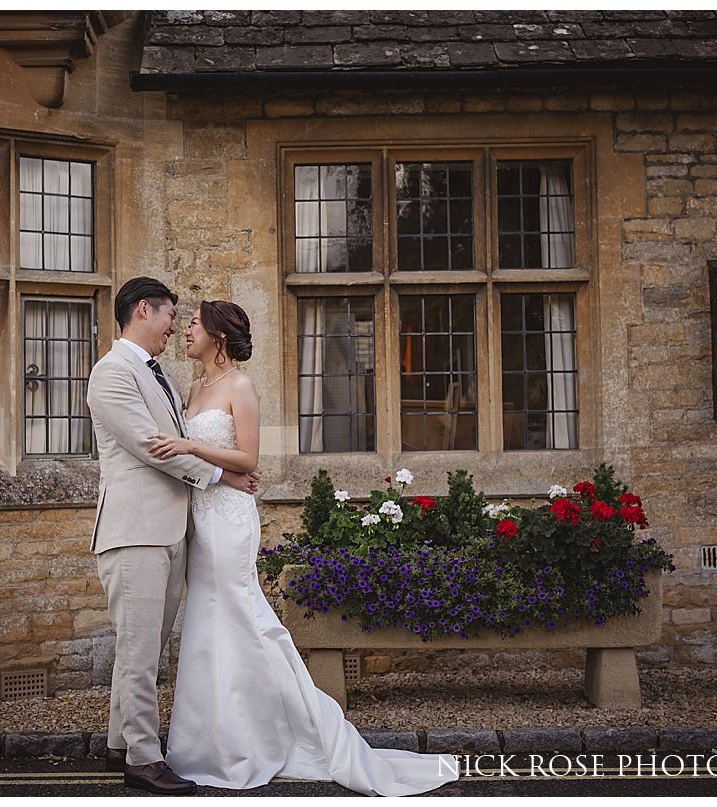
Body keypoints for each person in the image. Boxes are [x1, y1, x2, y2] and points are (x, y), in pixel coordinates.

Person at [150, 300, 460, 796]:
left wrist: (189, 446)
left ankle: (282, 731)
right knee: (206, 624)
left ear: (218, 334)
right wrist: (222, 470)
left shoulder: (240, 386)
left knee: (241, 619)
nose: (186, 328)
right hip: (201, 518)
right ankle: (209, 743)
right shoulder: (193, 386)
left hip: (230, 523)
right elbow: (235, 469)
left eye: (193, 323)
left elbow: (249, 454)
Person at [85, 278, 261, 795]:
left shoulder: (158, 372)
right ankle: (142, 758)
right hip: (134, 530)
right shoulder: (112, 372)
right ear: (145, 310)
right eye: (171, 316)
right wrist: (222, 477)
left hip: (171, 531)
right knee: (139, 652)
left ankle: (120, 741)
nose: (175, 327)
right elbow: (149, 447)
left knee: (146, 646)